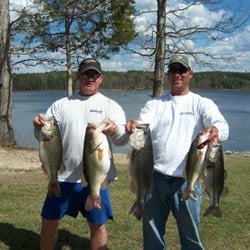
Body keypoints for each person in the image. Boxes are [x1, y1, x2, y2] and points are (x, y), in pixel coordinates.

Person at [125, 54, 229, 250]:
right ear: (167, 74)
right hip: (154, 180)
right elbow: (143, 124)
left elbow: (222, 127)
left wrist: (215, 131)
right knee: (152, 237)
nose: (177, 75)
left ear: (190, 73)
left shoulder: (202, 103)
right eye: (172, 70)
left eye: (181, 70)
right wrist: (134, 125)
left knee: (191, 239)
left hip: (187, 182)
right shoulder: (155, 104)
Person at [33, 58, 128, 250]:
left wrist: (116, 130)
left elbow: (122, 140)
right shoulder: (61, 105)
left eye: (94, 75)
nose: (90, 78)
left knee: (98, 225)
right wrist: (37, 127)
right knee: (49, 221)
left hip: (96, 178)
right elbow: (44, 137)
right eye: (85, 74)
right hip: (62, 177)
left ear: (101, 78)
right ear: (78, 76)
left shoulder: (111, 106)